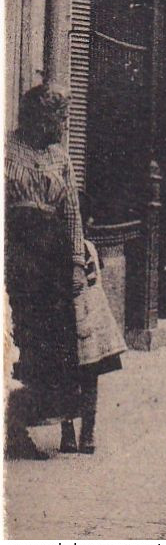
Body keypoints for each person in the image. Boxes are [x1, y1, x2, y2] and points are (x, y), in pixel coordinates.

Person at [5, 85, 124, 459]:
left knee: (49, 349)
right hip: (15, 260)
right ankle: (11, 428)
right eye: (59, 118)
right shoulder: (7, 152)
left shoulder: (61, 158)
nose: (64, 125)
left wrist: (75, 264)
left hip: (51, 266)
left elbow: (72, 215)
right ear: (39, 118)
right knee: (15, 344)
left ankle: (21, 426)